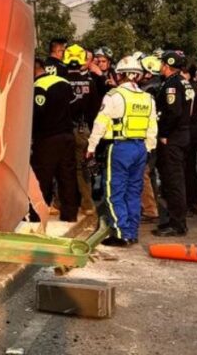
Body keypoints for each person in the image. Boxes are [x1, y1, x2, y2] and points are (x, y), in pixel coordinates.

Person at [86, 56, 157, 246]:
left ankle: (121, 233)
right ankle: (132, 232)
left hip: (120, 147)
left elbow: (100, 123)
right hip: (140, 148)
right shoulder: (147, 98)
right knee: (134, 191)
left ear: (120, 75)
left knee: (114, 191)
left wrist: (91, 147)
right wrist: (148, 148)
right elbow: (152, 128)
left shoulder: (113, 96)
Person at [151, 50, 193, 237]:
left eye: (161, 64)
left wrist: (165, 133)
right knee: (172, 181)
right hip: (182, 134)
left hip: (173, 138)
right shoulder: (183, 81)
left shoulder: (172, 85)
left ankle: (177, 224)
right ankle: (174, 219)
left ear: (167, 66)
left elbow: (173, 112)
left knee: (173, 181)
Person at [32, 58, 78, 221]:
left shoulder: (38, 87)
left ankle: (37, 215)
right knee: (68, 177)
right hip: (67, 135)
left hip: (48, 138)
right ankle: (70, 214)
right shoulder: (64, 82)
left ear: (33, 70)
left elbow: (38, 114)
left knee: (42, 177)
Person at [64, 44, 102, 216]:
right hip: (83, 129)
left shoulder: (60, 81)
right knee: (82, 168)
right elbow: (95, 111)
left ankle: (61, 202)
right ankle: (87, 204)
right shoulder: (90, 83)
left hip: (63, 129)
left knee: (63, 167)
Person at [138, 55, 163, 224]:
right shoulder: (158, 85)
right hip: (154, 136)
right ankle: (152, 205)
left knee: (143, 173)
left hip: (147, 136)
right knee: (150, 173)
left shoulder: (148, 89)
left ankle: (149, 209)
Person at [182, 64, 197, 215]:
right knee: (189, 167)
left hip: (190, 129)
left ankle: (191, 202)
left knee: (187, 167)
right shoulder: (193, 87)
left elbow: (189, 112)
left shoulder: (189, 88)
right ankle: (193, 201)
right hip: (194, 129)